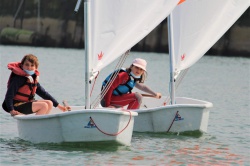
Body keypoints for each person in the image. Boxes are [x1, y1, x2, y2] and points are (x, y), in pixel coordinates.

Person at [2, 54, 70, 116]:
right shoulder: (18, 78)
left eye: (32, 65)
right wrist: (11, 110)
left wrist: (59, 106)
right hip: (15, 105)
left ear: (36, 67)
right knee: (43, 106)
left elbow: (44, 94)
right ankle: (35, 126)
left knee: (49, 103)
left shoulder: (33, 79)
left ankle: (41, 124)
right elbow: (9, 96)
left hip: (25, 103)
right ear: (22, 65)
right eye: (27, 64)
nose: (29, 67)